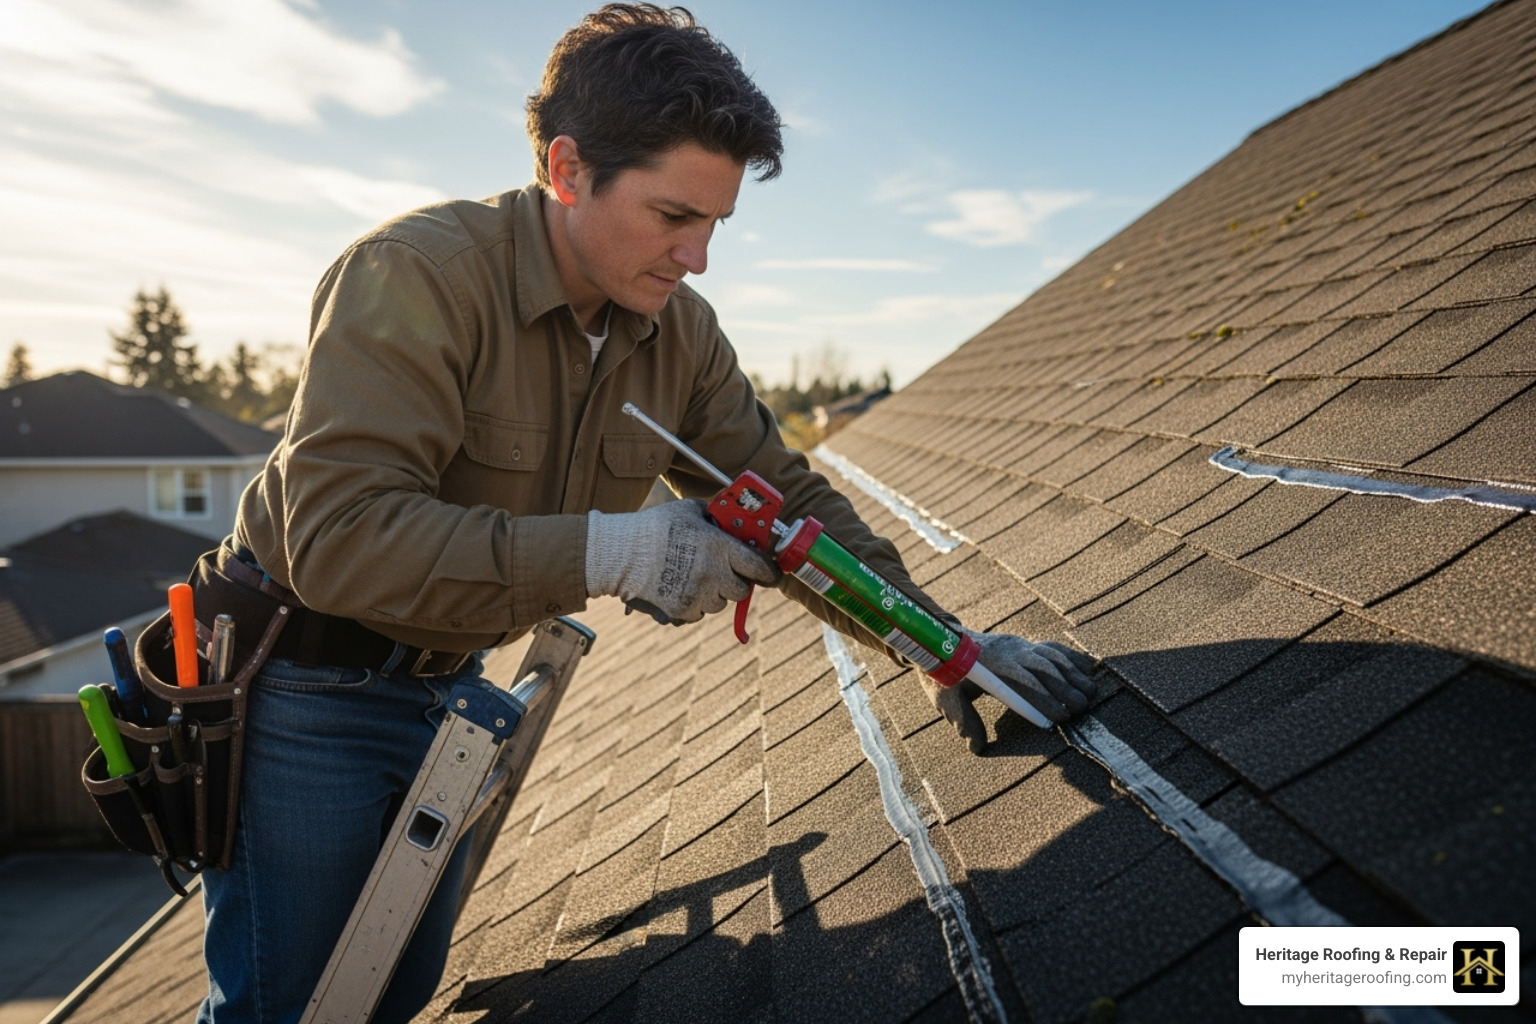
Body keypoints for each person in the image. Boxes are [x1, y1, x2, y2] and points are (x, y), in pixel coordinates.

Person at [196, 5, 1096, 1022]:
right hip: (305, 685)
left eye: (714, 223)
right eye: (674, 217)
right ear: (567, 169)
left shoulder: (678, 336)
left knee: (390, 991)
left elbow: (785, 502)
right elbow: (337, 538)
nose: (698, 256)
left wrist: (939, 643)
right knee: (300, 1006)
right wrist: (622, 549)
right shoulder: (417, 279)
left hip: (442, 687)